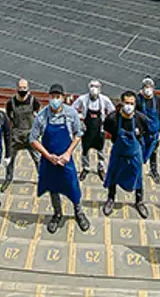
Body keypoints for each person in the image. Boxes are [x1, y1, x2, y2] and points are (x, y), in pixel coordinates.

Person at [31, 83, 90, 233]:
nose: (55, 100)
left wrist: (68, 153)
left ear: (63, 98)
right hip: (49, 159)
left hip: (65, 159)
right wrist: (47, 155)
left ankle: (79, 212)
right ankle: (57, 213)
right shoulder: (42, 116)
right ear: (49, 97)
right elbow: (33, 139)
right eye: (53, 96)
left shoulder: (71, 113)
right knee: (53, 187)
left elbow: (78, 134)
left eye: (58, 97)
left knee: (73, 185)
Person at [101, 91, 151, 218]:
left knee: (138, 177)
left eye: (132, 103)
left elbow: (146, 134)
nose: (129, 106)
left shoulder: (141, 119)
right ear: (122, 103)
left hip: (134, 155)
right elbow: (108, 131)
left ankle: (139, 201)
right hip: (118, 154)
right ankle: (111, 198)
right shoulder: (112, 119)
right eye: (126, 103)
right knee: (113, 176)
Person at [2, 78, 41, 192]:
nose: (22, 90)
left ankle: (43, 179)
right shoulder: (11, 102)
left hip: (30, 134)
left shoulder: (33, 101)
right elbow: (8, 116)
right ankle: (8, 178)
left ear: (28, 88)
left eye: (24, 88)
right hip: (16, 135)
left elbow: (39, 114)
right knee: (10, 158)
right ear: (16, 88)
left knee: (38, 158)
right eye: (20, 88)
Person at [73, 79, 115, 181]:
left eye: (96, 87)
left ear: (99, 89)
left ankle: (101, 168)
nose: (94, 89)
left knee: (101, 150)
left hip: (99, 129)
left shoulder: (104, 99)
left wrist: (106, 122)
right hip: (87, 129)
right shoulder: (83, 99)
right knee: (85, 150)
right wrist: (80, 119)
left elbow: (112, 112)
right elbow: (72, 109)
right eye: (92, 86)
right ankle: (85, 168)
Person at [136, 77, 160, 184]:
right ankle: (136, 172)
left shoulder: (158, 100)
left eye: (149, 87)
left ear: (153, 88)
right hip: (141, 134)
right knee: (138, 152)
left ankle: (153, 170)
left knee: (153, 152)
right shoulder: (138, 100)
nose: (147, 89)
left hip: (154, 134)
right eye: (146, 87)